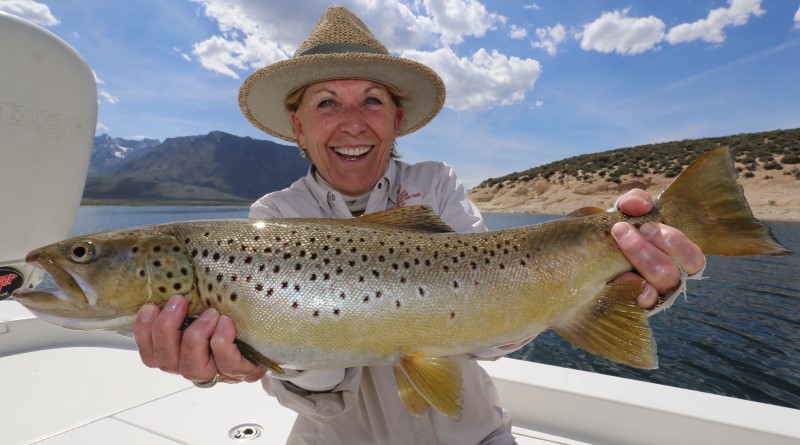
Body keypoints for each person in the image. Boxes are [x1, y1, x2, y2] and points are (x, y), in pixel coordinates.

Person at [133, 6, 705, 444]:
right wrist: (243, 359)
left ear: (397, 120)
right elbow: (306, 389)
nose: (352, 123)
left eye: (373, 101)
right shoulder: (270, 222)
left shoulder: (437, 184)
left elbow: (492, 333)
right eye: (327, 102)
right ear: (297, 126)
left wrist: (628, 286)